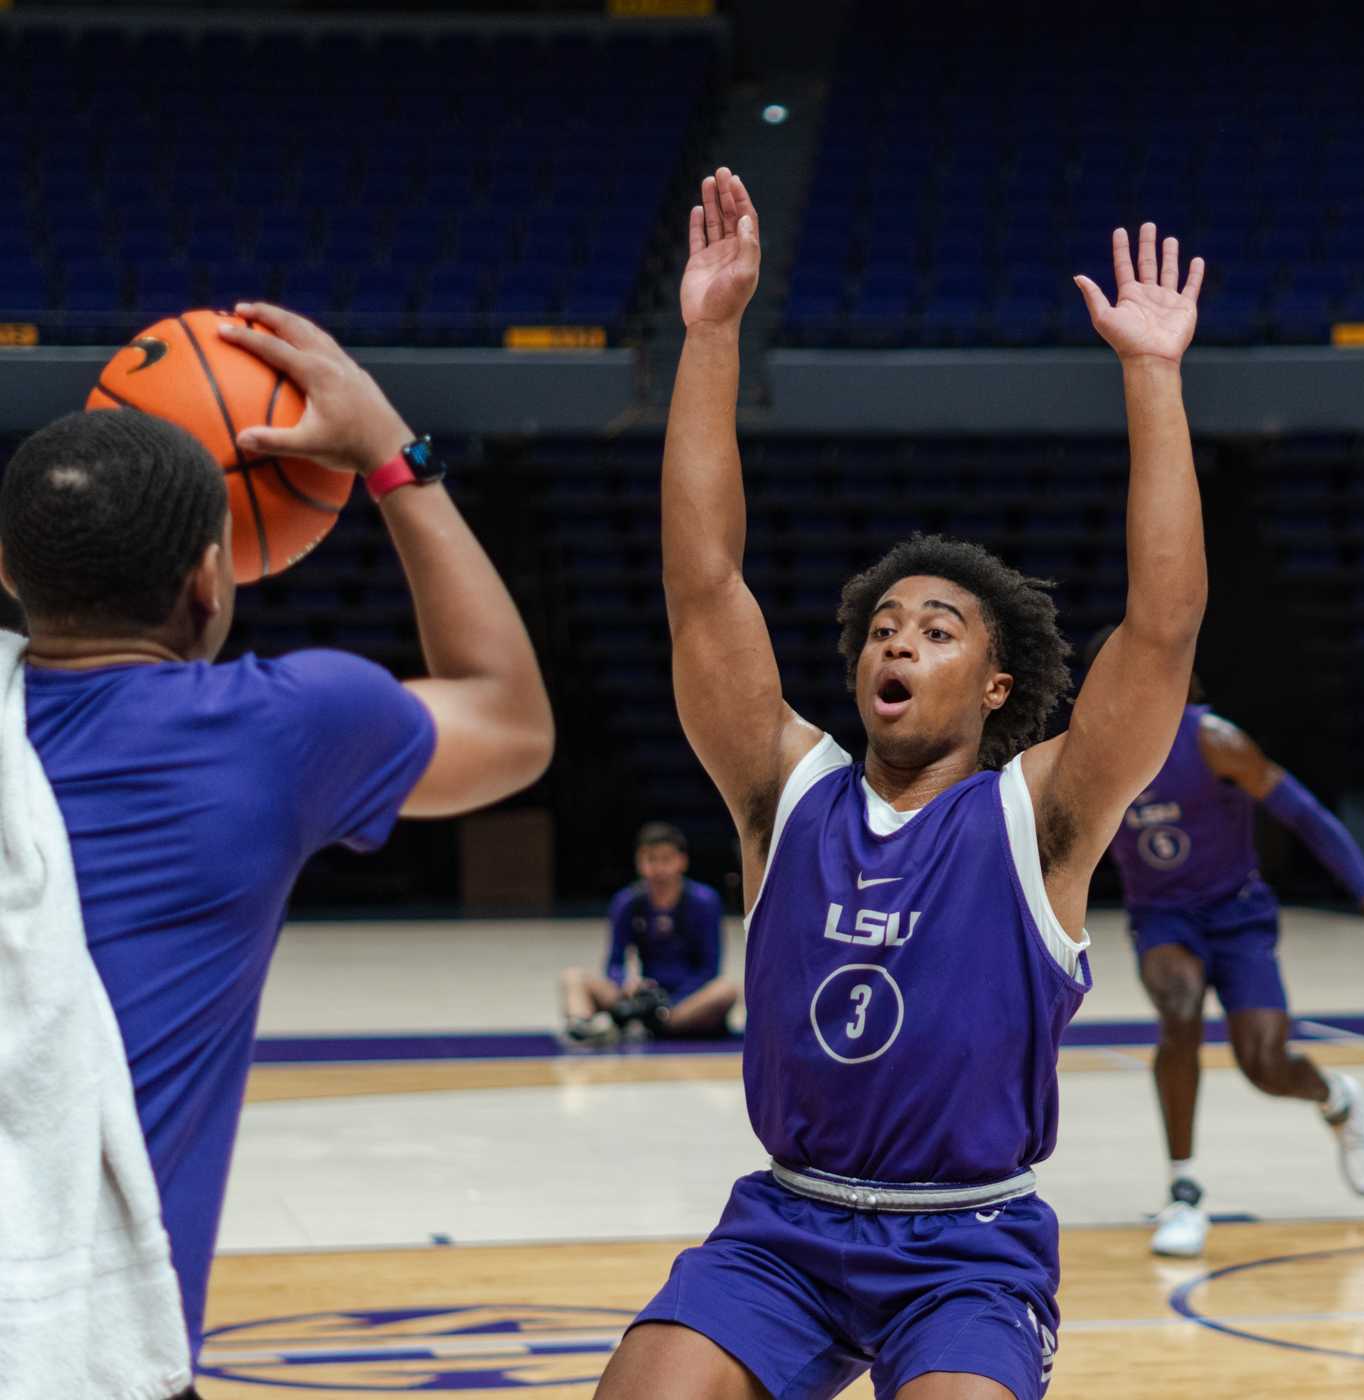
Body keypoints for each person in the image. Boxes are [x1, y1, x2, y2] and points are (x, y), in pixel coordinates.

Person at [594, 171, 1207, 1400]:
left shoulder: (1042, 815)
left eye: (935, 627)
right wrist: (709, 335)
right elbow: (704, 581)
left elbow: (1162, 627)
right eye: (884, 623)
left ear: (994, 684)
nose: (896, 640)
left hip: (965, 1243)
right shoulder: (784, 787)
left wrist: (1153, 375)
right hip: (786, 1227)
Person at [2, 303, 553, 1384]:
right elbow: (512, 721)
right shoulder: (280, 731)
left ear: (12, 573)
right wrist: (392, 449)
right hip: (83, 1354)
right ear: (213, 583)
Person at [1083, 632, 1364, 1258]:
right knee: (1179, 1009)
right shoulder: (1100, 753)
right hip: (1164, 918)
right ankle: (1183, 1190)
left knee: (1265, 1064)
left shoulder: (1216, 741)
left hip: (1238, 915)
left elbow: (1306, 815)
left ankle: (1337, 1100)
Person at [562, 821, 738, 1043]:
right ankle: (583, 1027)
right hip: (642, 996)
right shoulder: (627, 902)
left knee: (726, 990)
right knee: (573, 978)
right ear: (639, 863)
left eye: (666, 860)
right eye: (651, 860)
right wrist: (625, 985)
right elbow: (615, 961)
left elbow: (710, 968)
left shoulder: (705, 902)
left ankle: (661, 1024)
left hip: (684, 1001)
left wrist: (670, 1002)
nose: (659, 869)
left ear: (682, 861)